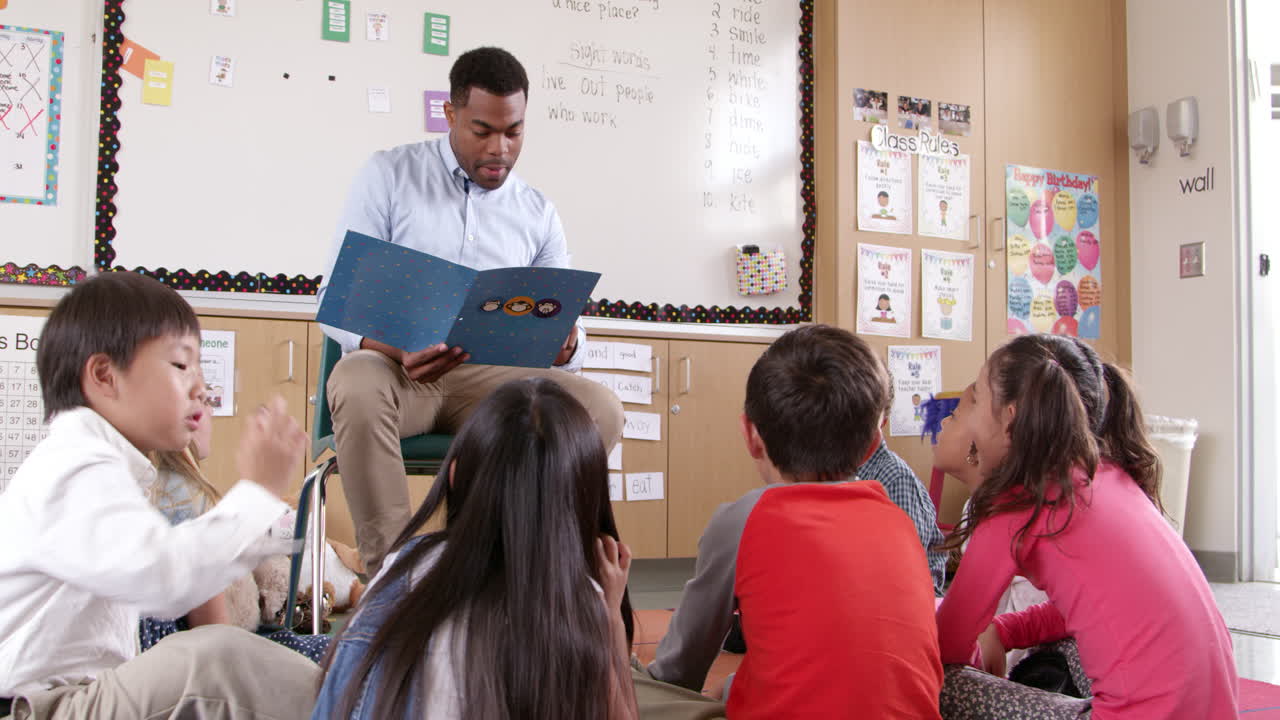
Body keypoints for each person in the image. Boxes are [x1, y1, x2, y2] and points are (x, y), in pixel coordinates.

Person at [318, 46, 624, 575]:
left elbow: (566, 328)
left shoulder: (537, 212)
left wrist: (571, 342)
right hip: (400, 374)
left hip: (495, 384)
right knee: (356, 381)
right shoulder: (389, 175)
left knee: (600, 410)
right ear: (450, 113)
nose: (500, 149)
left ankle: (511, 570)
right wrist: (393, 347)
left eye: (514, 132)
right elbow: (334, 302)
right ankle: (393, 578)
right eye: (483, 130)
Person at [0, 271, 317, 719]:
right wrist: (259, 492)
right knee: (215, 660)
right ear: (105, 375)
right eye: (180, 365)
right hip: (38, 709)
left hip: (74, 698)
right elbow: (169, 579)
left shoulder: (106, 467)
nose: (200, 387)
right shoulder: (73, 465)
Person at [647, 325, 942, 719]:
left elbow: (679, 669)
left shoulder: (744, 519)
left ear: (750, 435)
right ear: (874, 441)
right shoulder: (899, 522)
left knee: (624, 687)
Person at [936, 334, 1238, 719]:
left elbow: (946, 643)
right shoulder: (1108, 473)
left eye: (975, 399)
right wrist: (1005, 630)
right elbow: (1094, 612)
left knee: (942, 680)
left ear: (1009, 417)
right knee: (1064, 644)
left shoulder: (1015, 505)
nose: (965, 413)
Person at [313, 378, 637, 720]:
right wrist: (611, 613)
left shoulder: (405, 562)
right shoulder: (578, 602)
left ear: (453, 475)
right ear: (587, 496)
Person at [138, 385, 332, 663]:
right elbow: (215, 635)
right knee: (350, 653)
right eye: (204, 401)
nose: (210, 412)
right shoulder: (182, 496)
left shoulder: (149, 488)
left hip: (170, 662)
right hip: (203, 665)